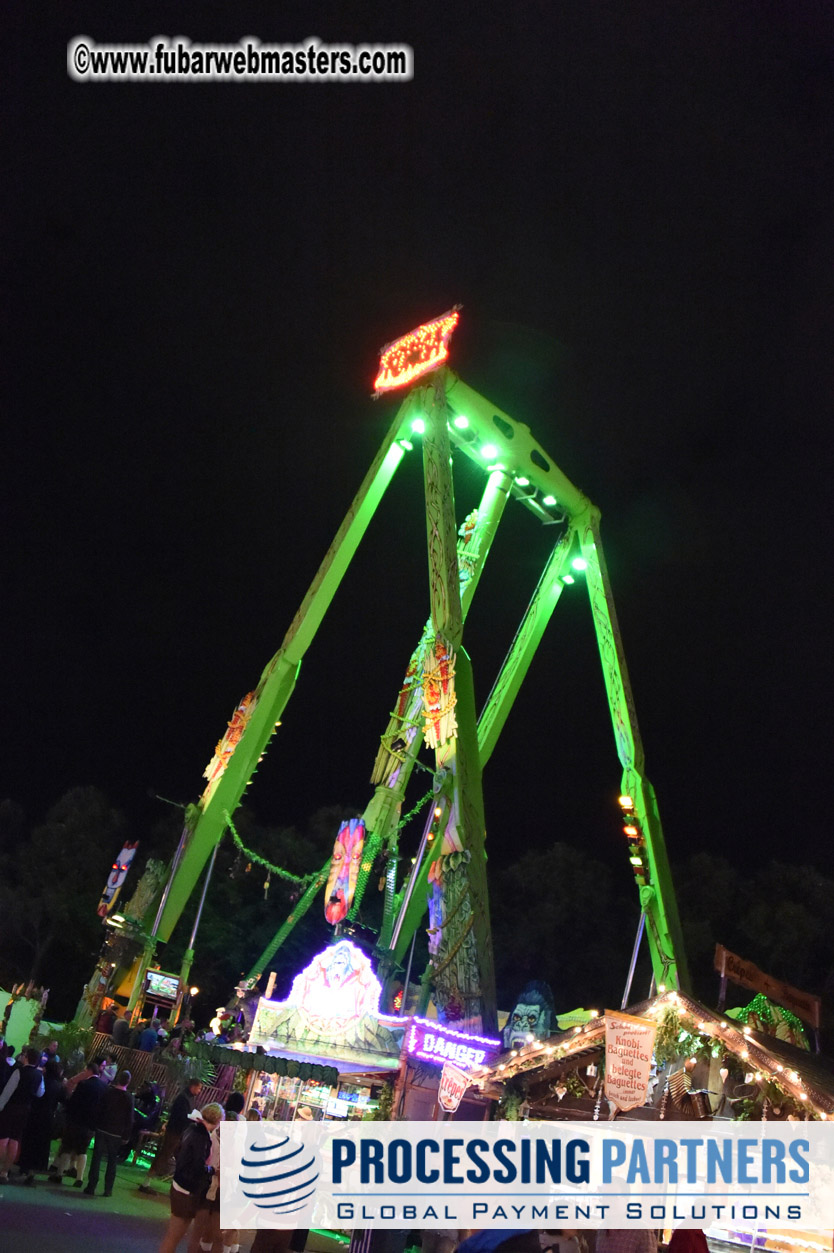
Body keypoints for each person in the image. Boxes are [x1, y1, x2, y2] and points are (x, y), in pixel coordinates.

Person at [158, 1102, 223, 1253]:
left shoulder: (192, 1128)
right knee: (174, 1236)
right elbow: (197, 1166)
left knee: (174, 1235)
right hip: (186, 1189)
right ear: (217, 1121)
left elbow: (178, 1152)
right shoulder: (201, 1136)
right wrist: (212, 1170)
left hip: (181, 1184)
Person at [49, 1057, 107, 1186]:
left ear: (89, 1070)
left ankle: (59, 1174)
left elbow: (73, 1102)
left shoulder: (83, 1084)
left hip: (76, 1121)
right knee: (82, 1150)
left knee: (67, 1147)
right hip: (90, 1125)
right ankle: (79, 1178)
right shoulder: (104, 1087)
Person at [83, 1067, 134, 1197]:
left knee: (97, 1157)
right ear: (128, 1082)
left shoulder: (108, 1093)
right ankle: (108, 1189)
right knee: (112, 1160)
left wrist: (95, 1125)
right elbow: (129, 1118)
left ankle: (91, 1185)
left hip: (102, 1128)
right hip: (116, 1132)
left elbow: (99, 1110)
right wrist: (126, 1135)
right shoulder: (128, 1098)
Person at [143, 1078, 203, 1185]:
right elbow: (181, 1116)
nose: (199, 1091)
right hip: (175, 1130)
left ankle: (170, 1180)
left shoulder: (187, 1098)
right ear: (193, 1086)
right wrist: (192, 1119)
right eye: (198, 1088)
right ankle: (148, 1179)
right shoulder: (183, 1098)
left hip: (180, 1131)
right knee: (165, 1153)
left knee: (174, 1154)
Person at [0, 1046, 45, 1183]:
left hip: (12, 1107)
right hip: (26, 1109)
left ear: (26, 1057)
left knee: (3, 1139)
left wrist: (0, 1106)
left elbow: (8, 1091)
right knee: (14, 1140)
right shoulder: (39, 1075)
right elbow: (40, 1093)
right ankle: (5, 1171)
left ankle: (0, 1166)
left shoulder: (19, 1072)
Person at [18, 1059, 65, 1183]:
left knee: (29, 1141)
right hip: (48, 1118)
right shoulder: (58, 1086)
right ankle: (35, 1168)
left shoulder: (42, 1081)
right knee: (41, 1144)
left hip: (35, 1115)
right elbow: (63, 1100)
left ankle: (24, 1166)